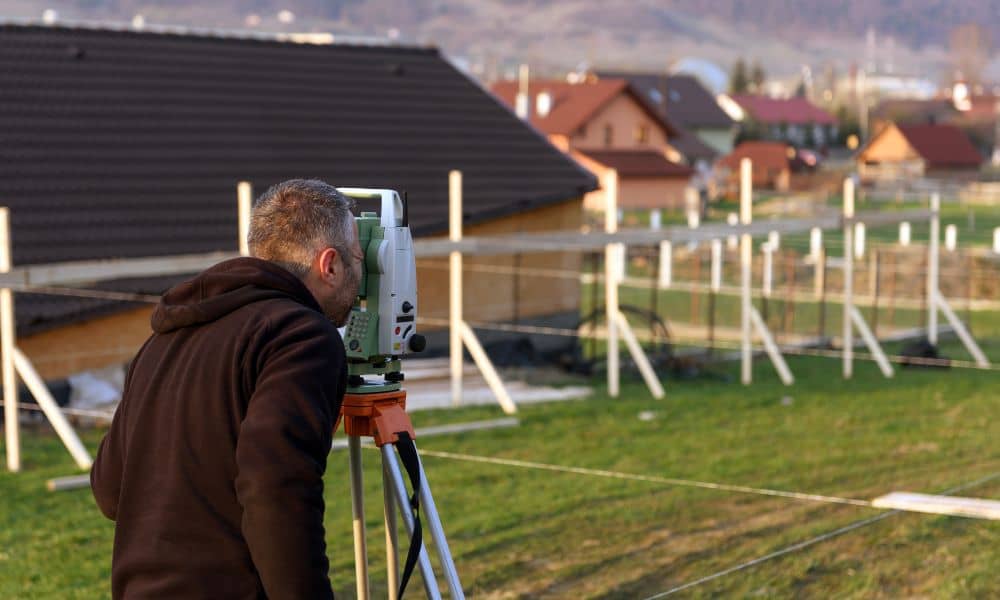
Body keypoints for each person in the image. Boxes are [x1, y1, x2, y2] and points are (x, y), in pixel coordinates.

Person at [91, 179, 362, 599]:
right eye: (359, 259)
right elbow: (277, 489)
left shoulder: (163, 340)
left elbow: (110, 491)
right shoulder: (301, 337)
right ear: (329, 265)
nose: (362, 277)